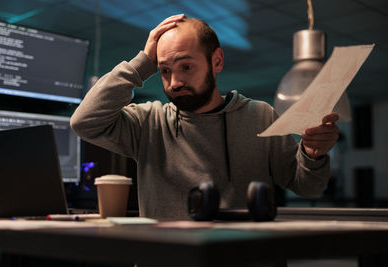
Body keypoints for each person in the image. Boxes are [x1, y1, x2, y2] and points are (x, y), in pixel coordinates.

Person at [70, 14, 339, 219]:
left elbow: (308, 187)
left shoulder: (260, 116)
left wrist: (313, 155)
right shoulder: (148, 123)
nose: (174, 82)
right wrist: (143, 62)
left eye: (186, 66)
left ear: (217, 61)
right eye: (165, 70)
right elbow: (84, 121)